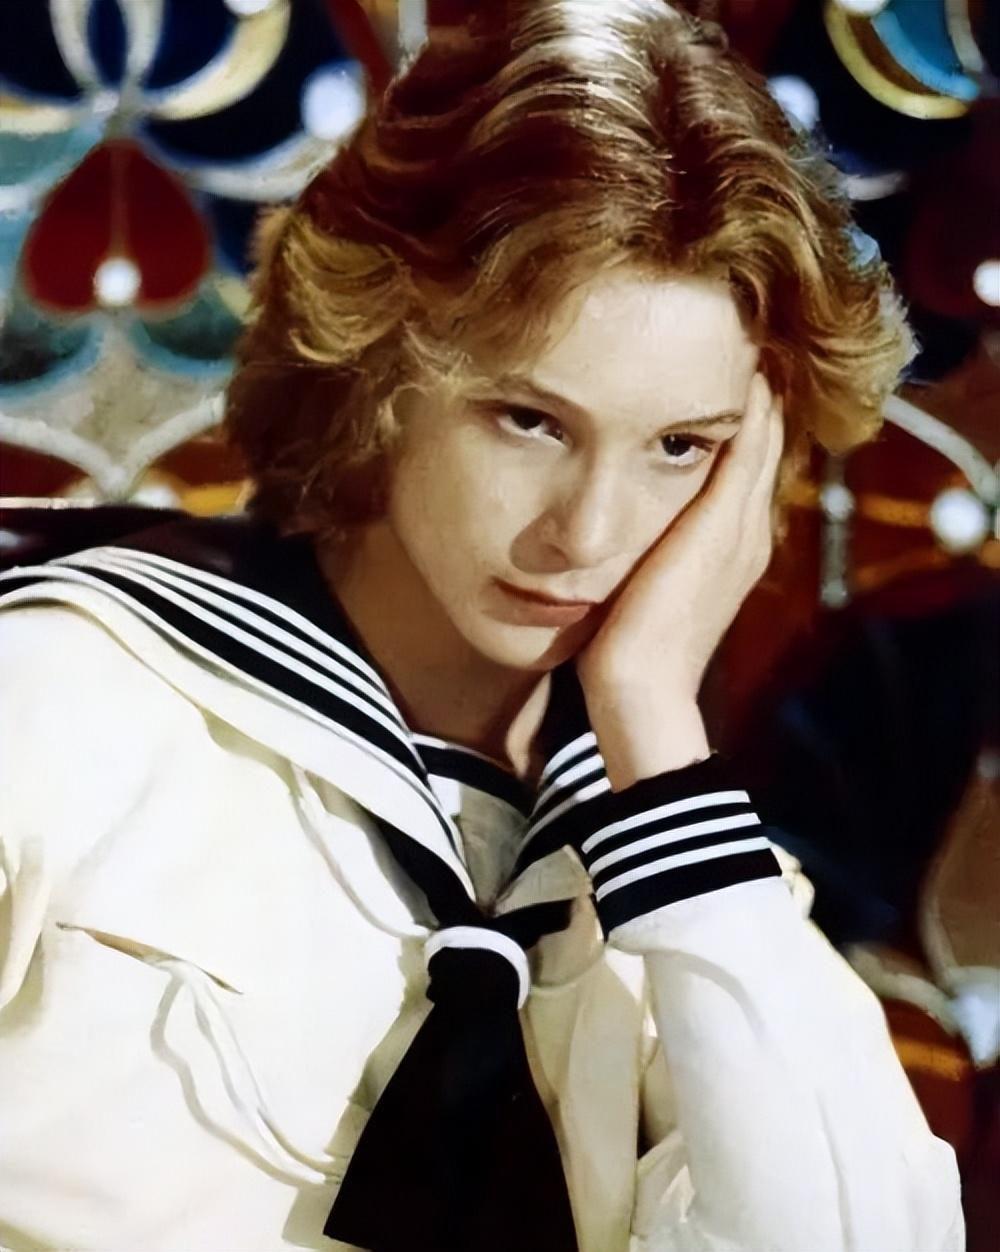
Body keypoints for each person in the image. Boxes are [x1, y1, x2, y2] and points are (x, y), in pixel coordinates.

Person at [0, 2, 965, 1250]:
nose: (588, 532)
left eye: (680, 446)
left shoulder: (692, 896)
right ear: (380, 364)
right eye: (530, 421)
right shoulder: (57, 705)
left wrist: (652, 723)